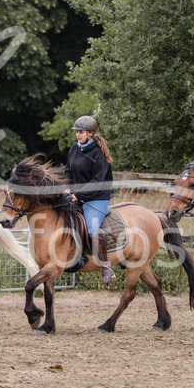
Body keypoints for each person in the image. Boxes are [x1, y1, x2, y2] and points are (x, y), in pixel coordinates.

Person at [64, 115, 115, 283]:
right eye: (77, 132)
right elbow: (68, 172)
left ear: (91, 133)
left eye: (81, 132)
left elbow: (97, 181)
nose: (78, 135)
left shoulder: (98, 153)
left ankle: (106, 265)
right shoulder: (73, 149)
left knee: (92, 228)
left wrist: (77, 195)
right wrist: (67, 188)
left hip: (97, 197)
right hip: (76, 196)